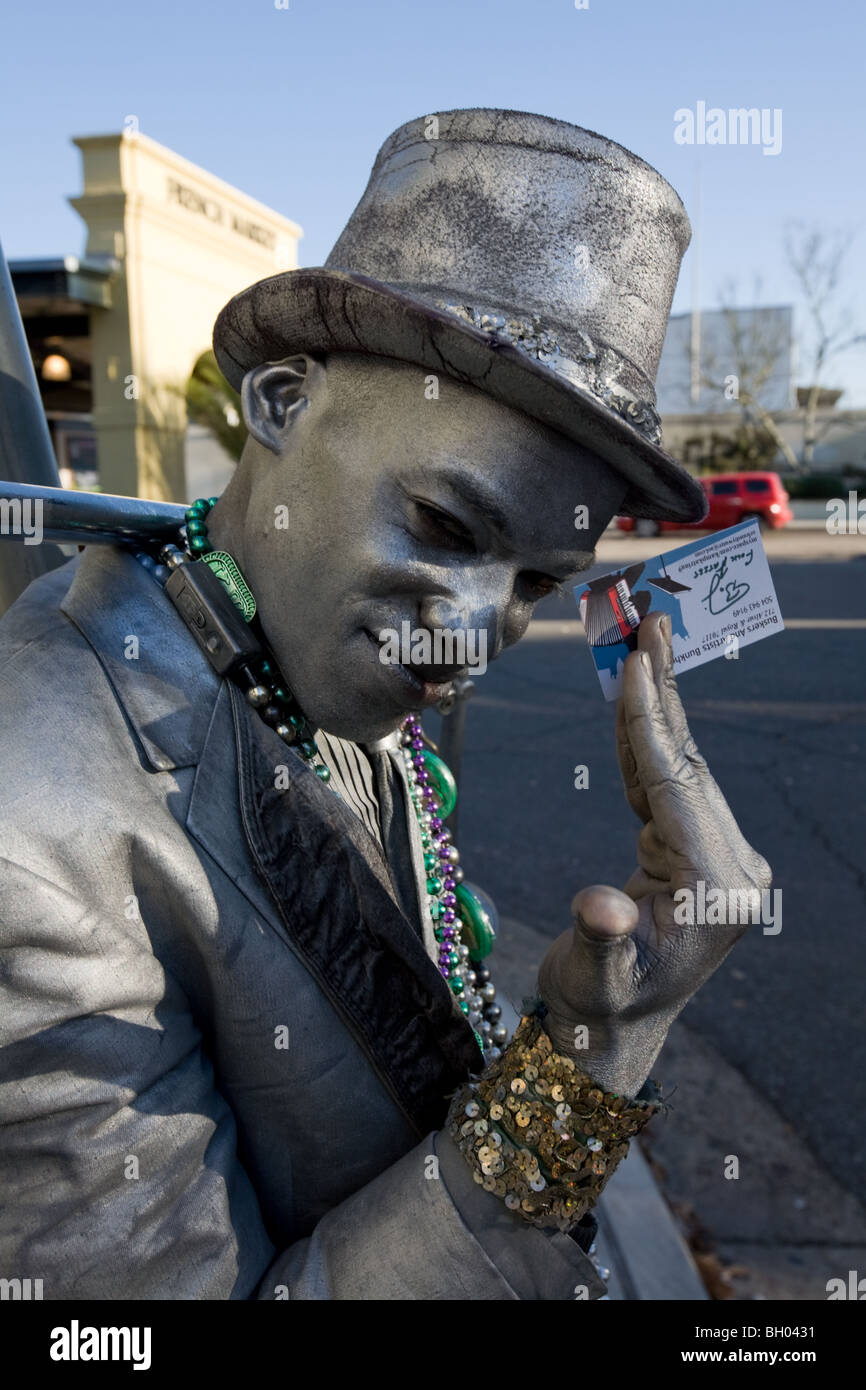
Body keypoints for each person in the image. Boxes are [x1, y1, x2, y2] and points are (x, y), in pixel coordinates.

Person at [0, 109, 770, 1300]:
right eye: (446, 527)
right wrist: (586, 1060)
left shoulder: (296, 651)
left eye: (534, 584)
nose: (471, 630)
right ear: (278, 399)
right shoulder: (28, 831)